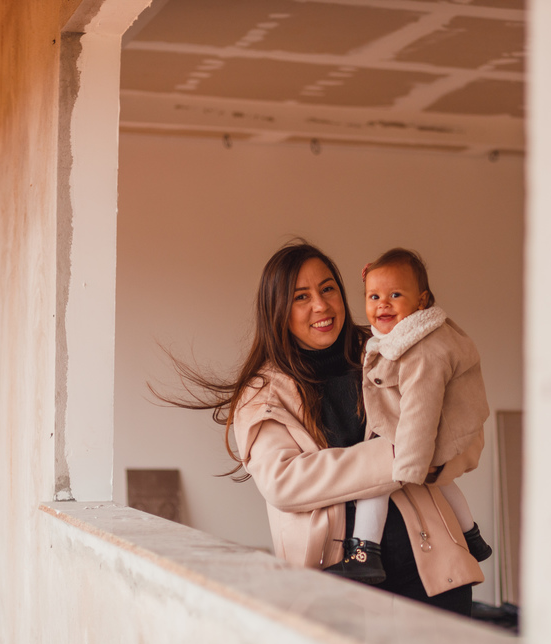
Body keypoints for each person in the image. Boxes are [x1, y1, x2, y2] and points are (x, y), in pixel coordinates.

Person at [161, 241, 482, 614]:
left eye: (328, 288)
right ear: (278, 311)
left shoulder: (392, 350)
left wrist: (430, 452)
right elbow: (286, 482)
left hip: (435, 576)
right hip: (332, 587)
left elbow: (467, 434)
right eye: (301, 297)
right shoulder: (263, 391)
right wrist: (404, 456)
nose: (321, 305)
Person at [324, 248, 491, 584]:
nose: (382, 304)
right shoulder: (406, 335)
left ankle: (364, 553)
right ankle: (472, 536)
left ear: (421, 301)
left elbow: (420, 408)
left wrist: (407, 465)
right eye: (373, 296)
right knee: (443, 482)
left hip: (421, 436)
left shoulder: (422, 349)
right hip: (437, 433)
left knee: (374, 487)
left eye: (395, 295)